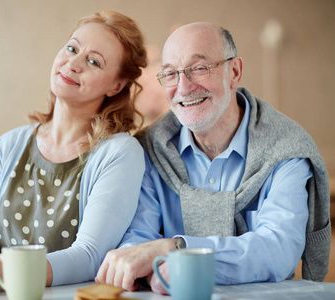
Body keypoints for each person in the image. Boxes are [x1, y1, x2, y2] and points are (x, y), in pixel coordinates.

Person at [95, 22, 331, 294]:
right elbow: (136, 242)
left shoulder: (286, 148)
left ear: (234, 71)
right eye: (171, 74)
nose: (183, 88)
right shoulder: (150, 150)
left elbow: (278, 249)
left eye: (199, 68)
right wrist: (137, 260)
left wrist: (179, 249)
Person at [0, 10, 148, 296]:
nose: (73, 63)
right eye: (72, 48)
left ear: (116, 86)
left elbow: (90, 255)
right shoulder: (9, 144)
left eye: (93, 61)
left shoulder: (119, 153)